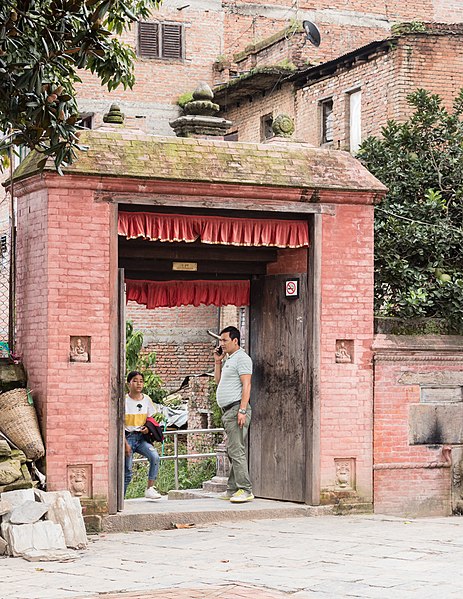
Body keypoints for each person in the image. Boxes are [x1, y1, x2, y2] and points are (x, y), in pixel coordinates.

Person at [214, 325, 253, 503]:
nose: (221, 343)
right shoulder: (230, 359)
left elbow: (247, 385)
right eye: (220, 340)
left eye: (224, 340)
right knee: (232, 450)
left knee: (236, 450)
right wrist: (217, 362)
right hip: (228, 411)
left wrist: (242, 410)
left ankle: (245, 489)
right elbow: (219, 382)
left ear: (235, 340)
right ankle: (231, 489)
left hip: (237, 409)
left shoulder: (242, 358)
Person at [124, 371, 161, 500]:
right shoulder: (124, 401)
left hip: (141, 437)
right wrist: (125, 444)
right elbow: (118, 424)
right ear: (128, 383)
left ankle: (150, 488)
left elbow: (150, 418)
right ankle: (121, 499)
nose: (138, 383)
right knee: (127, 472)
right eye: (135, 380)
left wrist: (147, 429)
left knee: (155, 457)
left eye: (141, 381)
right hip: (127, 437)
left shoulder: (146, 399)